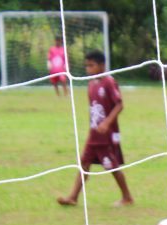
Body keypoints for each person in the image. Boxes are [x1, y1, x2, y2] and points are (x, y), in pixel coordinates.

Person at [57, 50, 133, 207]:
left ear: (102, 66)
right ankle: (73, 197)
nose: (88, 69)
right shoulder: (91, 84)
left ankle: (127, 196)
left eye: (91, 66)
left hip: (106, 136)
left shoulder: (109, 82)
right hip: (94, 135)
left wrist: (107, 123)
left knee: (111, 166)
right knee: (84, 164)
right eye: (87, 66)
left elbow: (119, 104)